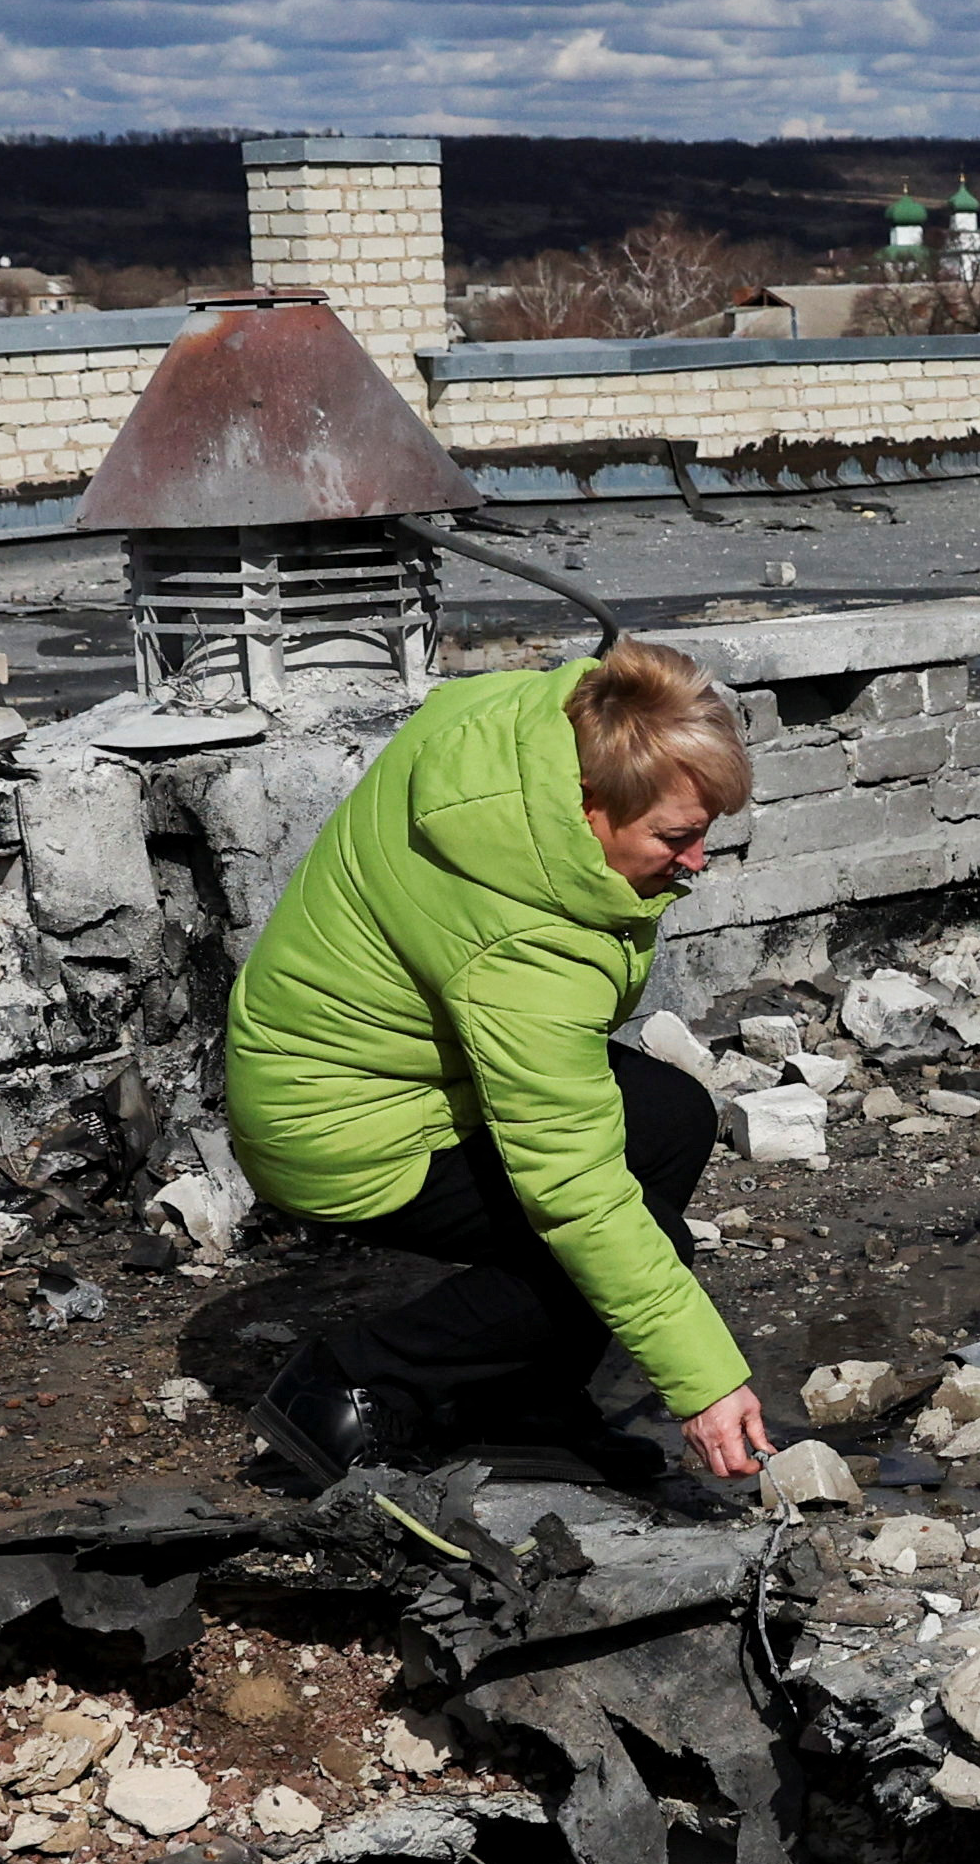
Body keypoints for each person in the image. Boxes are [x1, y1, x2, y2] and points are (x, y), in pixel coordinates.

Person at [222, 638, 776, 1494]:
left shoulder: (524, 729)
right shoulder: (526, 943)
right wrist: (703, 1382)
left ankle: (527, 1401)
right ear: (592, 804)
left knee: (672, 1121)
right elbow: (575, 1190)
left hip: (363, 1063)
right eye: (677, 836)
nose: (697, 861)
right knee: (625, 1238)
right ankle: (355, 1386)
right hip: (338, 1130)